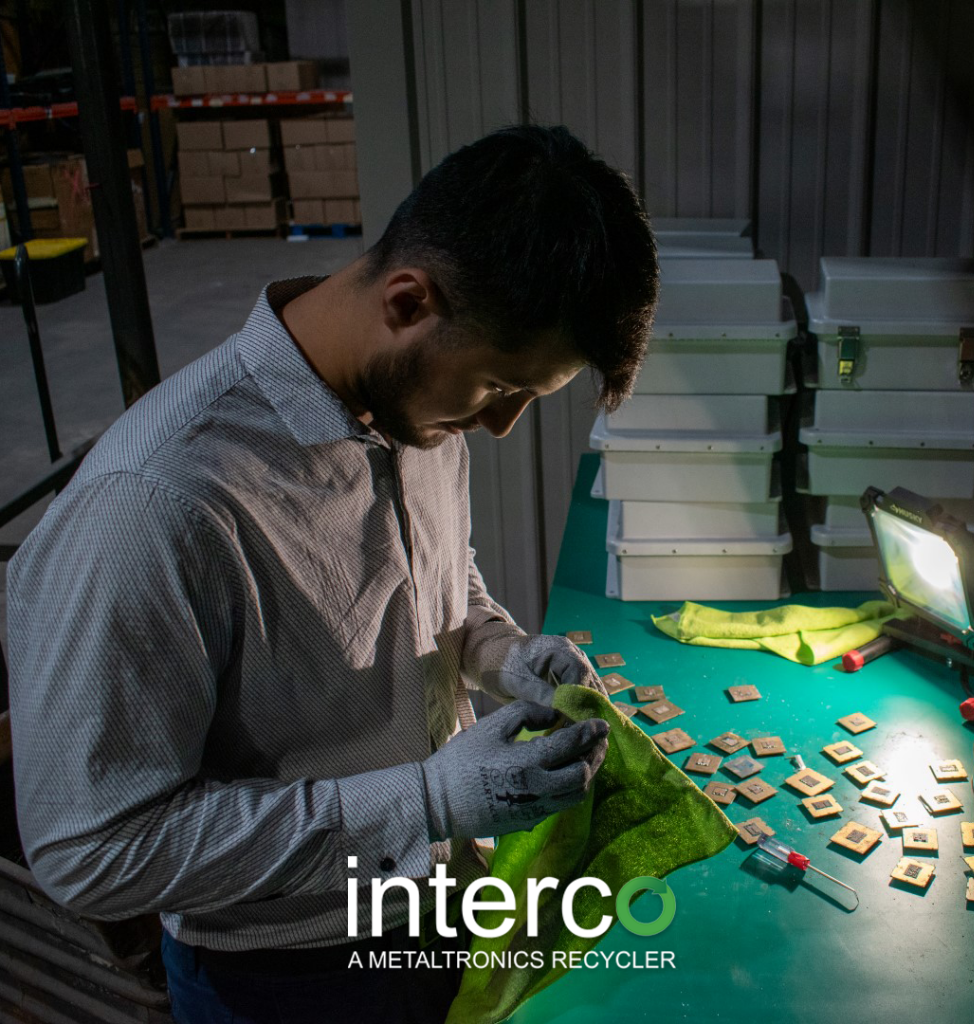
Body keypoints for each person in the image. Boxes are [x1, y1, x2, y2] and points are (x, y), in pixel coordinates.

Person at [6, 124, 659, 1023]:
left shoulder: (416, 405)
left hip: (448, 903)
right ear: (407, 299)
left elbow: (436, 581)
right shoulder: (154, 503)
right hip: (291, 976)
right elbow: (92, 847)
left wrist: (498, 652)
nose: (501, 426)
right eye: (498, 389)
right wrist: (424, 799)